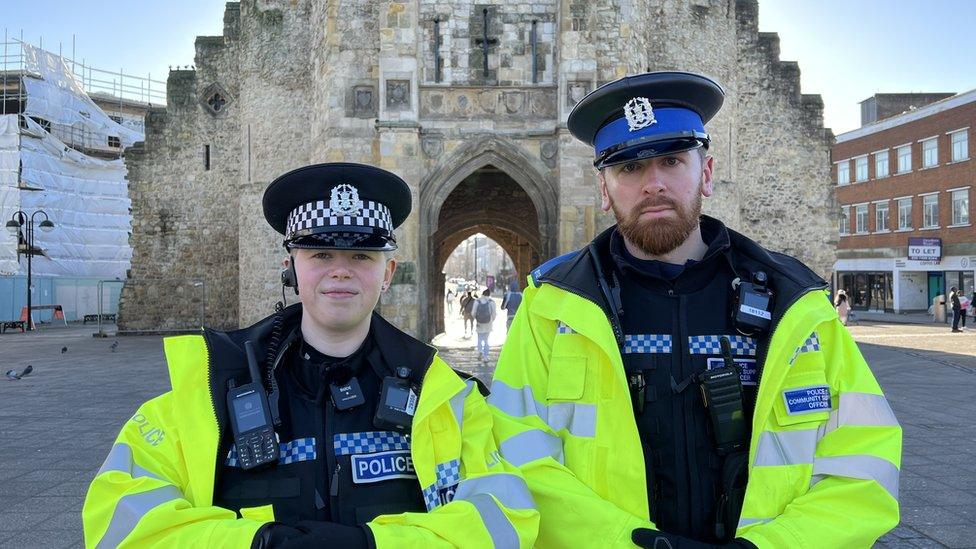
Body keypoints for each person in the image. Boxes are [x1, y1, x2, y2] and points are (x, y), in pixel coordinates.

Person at [489, 72, 900, 548]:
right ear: (604, 189)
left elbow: (865, 462)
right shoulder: (552, 309)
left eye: (671, 160)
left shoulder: (796, 304)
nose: (653, 184)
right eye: (628, 168)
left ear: (705, 173)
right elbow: (514, 458)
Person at [83, 163, 537, 548]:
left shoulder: (448, 398)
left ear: (388, 273)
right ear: (291, 268)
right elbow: (118, 519)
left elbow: (503, 519)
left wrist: (376, 544)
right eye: (320, 252)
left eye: (362, 255)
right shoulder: (208, 390)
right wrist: (259, 543)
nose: (340, 269)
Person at [473, 289, 497, 363]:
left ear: (482, 294)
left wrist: (477, 319)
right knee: (486, 340)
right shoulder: (491, 302)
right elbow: (494, 314)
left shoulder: (477, 301)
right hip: (488, 324)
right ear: (489, 294)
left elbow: (473, 312)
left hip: (479, 323)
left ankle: (480, 351)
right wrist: (491, 320)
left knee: (479, 338)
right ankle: (486, 357)